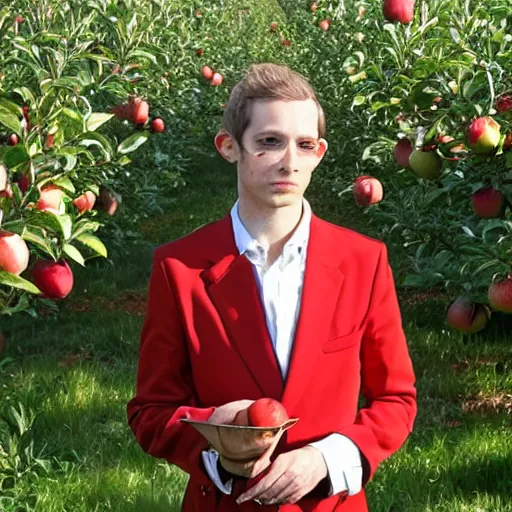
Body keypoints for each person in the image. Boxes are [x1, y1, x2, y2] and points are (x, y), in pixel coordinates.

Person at [127, 62, 417, 512]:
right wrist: (215, 432)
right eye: (269, 142)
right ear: (229, 147)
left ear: (320, 152)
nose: (289, 161)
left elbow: (395, 398)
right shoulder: (180, 268)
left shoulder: (363, 261)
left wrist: (326, 458)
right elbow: (150, 411)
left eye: (304, 145)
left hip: (329, 502)